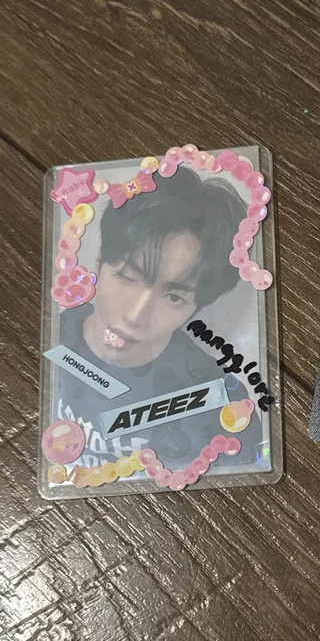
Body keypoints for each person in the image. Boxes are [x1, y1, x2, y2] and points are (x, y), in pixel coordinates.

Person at [58, 166, 261, 473]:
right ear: (99, 260)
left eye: (174, 297)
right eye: (127, 276)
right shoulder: (53, 332)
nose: (135, 315)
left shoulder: (219, 400)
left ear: (197, 307)